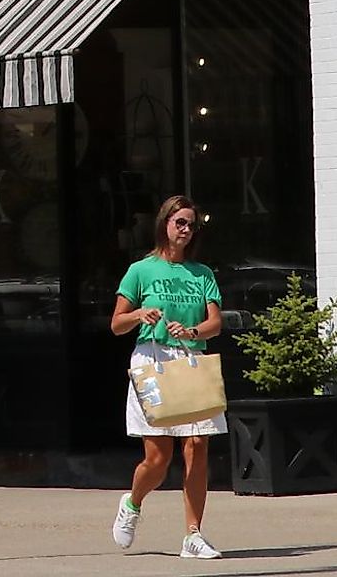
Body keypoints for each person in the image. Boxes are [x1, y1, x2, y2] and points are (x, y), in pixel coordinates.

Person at [110, 195, 226, 561]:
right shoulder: (141, 270)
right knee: (158, 458)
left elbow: (215, 324)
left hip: (191, 359)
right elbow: (116, 324)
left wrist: (192, 332)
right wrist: (140, 314)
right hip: (153, 360)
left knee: (197, 446)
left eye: (192, 224)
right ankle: (132, 502)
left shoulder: (202, 273)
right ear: (165, 224)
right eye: (180, 223)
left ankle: (193, 534)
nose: (186, 230)